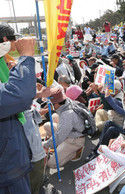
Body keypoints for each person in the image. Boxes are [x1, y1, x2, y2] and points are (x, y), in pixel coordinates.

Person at [0, 23, 36, 193]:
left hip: (11, 157)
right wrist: (26, 57)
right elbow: (17, 96)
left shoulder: (3, 61)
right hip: (7, 167)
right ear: (5, 39)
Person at [43, 88, 85, 168]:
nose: (50, 106)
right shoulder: (67, 101)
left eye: (51, 104)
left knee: (51, 164)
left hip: (74, 140)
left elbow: (60, 136)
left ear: (57, 103)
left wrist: (45, 145)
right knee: (48, 124)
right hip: (70, 131)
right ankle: (59, 147)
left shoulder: (67, 115)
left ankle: (74, 153)